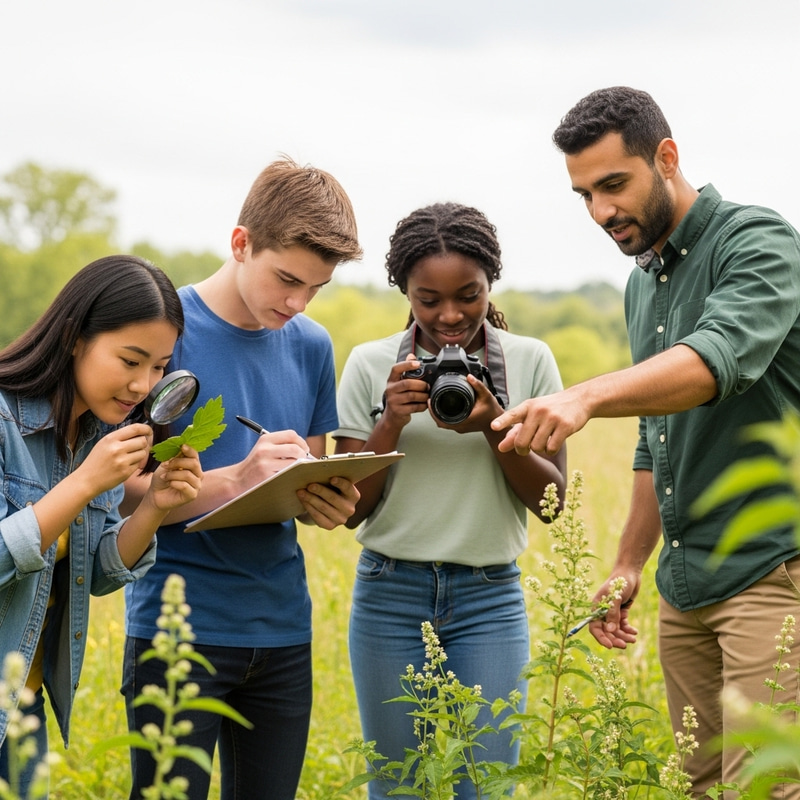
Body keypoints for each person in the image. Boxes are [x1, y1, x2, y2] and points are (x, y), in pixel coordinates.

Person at [491, 86, 800, 796]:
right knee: (699, 784)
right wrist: (630, 562)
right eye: (584, 196)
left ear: (666, 158)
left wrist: (585, 394)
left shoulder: (758, 241)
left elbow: (714, 361)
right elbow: (656, 435)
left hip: (773, 572)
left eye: (613, 185)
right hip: (685, 588)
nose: (601, 212)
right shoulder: (643, 285)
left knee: (767, 787)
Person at [122, 157, 363, 800]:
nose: (296, 302)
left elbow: (300, 477)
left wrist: (323, 500)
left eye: (315, 289)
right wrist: (236, 478)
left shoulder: (312, 345)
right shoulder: (163, 330)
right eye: (287, 279)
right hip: (178, 629)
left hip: (282, 628)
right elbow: (122, 494)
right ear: (240, 243)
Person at [333, 202, 567, 799]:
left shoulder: (530, 361)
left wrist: (495, 428)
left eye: (469, 295)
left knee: (485, 787)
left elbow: (551, 504)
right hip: (389, 592)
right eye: (427, 299)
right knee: (398, 787)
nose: (450, 315)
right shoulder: (369, 364)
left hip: (489, 597)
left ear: (491, 285)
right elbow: (351, 509)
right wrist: (388, 422)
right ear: (404, 293)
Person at [0, 255, 204, 796]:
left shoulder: (96, 435)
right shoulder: (3, 419)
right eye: (130, 360)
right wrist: (84, 483)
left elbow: (101, 572)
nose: (144, 384)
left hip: (21, 697)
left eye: (160, 367)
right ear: (74, 338)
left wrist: (156, 504)